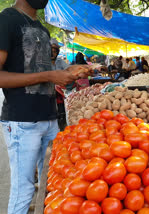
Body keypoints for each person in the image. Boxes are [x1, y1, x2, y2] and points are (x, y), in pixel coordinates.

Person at [0, 1, 91, 213]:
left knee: (54, 187)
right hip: (23, 122)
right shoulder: (6, 20)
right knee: (23, 190)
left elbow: (38, 70)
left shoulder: (40, 26)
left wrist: (67, 72)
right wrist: (49, 75)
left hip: (49, 119)